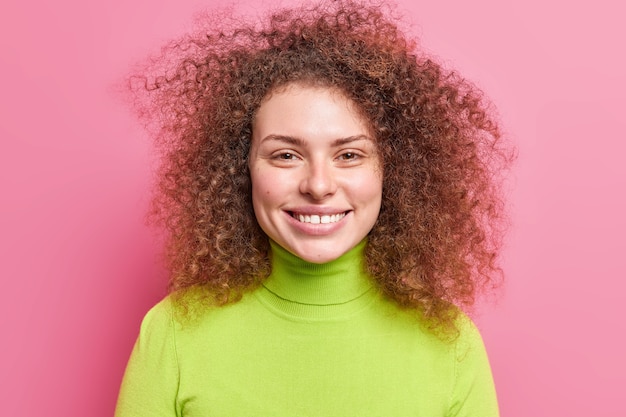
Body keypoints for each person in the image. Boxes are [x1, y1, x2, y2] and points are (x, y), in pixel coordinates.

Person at [115, 0, 512, 415]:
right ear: (241, 166)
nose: (318, 186)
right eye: (286, 155)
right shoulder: (173, 335)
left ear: (392, 169)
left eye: (349, 155)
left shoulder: (451, 345)